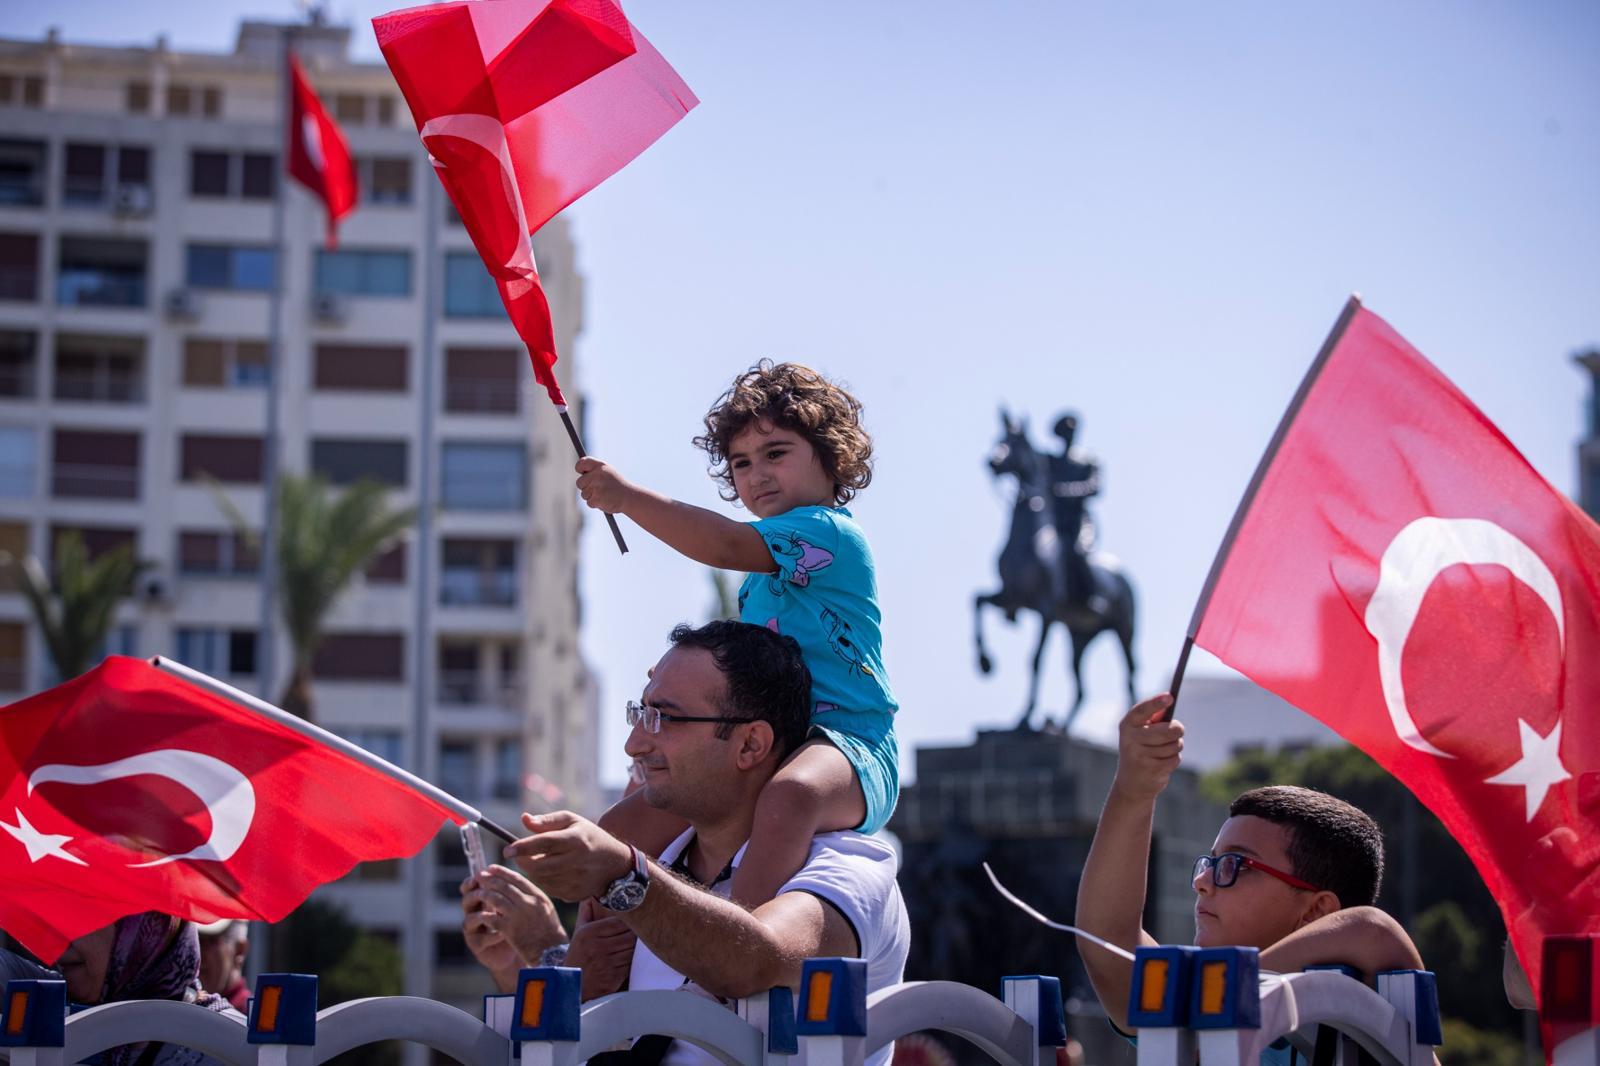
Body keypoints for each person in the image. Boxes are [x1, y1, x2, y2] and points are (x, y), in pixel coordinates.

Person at [495, 620, 910, 1066]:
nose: (634, 745)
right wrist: (550, 954)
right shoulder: (654, 865)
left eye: (665, 719)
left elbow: (758, 961)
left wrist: (624, 875)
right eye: (640, 713)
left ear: (750, 744)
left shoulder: (850, 868)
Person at [575, 361, 899, 907]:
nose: (757, 475)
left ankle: (741, 941)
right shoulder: (760, 580)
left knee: (790, 796)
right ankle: (588, 963)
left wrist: (626, 498)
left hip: (847, 746)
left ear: (833, 458)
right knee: (625, 826)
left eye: (776, 454)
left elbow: (725, 544)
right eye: (741, 463)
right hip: (760, 746)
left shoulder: (829, 534)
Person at [1075, 695, 1423, 1044]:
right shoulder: (1188, 996)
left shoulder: (1372, 1009)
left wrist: (1221, 992)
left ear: (1316, 910)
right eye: (1210, 862)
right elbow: (1107, 937)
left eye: (1235, 864)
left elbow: (1371, 929)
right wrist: (1134, 792)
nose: (1202, 881)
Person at [0, 913, 238, 1066]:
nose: (60, 939)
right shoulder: (46, 995)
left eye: (81, 919)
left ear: (140, 930)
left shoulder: (237, 1045)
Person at [1046, 413, 1100, 610]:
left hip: (1079, 522)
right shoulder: (1051, 462)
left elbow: (1094, 488)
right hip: (1055, 521)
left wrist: (1065, 491)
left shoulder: (1088, 461)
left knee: (1077, 552)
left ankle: (1093, 597)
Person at [196, 918, 249, 1012]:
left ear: (239, 951)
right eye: (190, 939)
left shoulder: (256, 1021)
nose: (195, 951)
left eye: (209, 941)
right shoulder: (171, 1011)